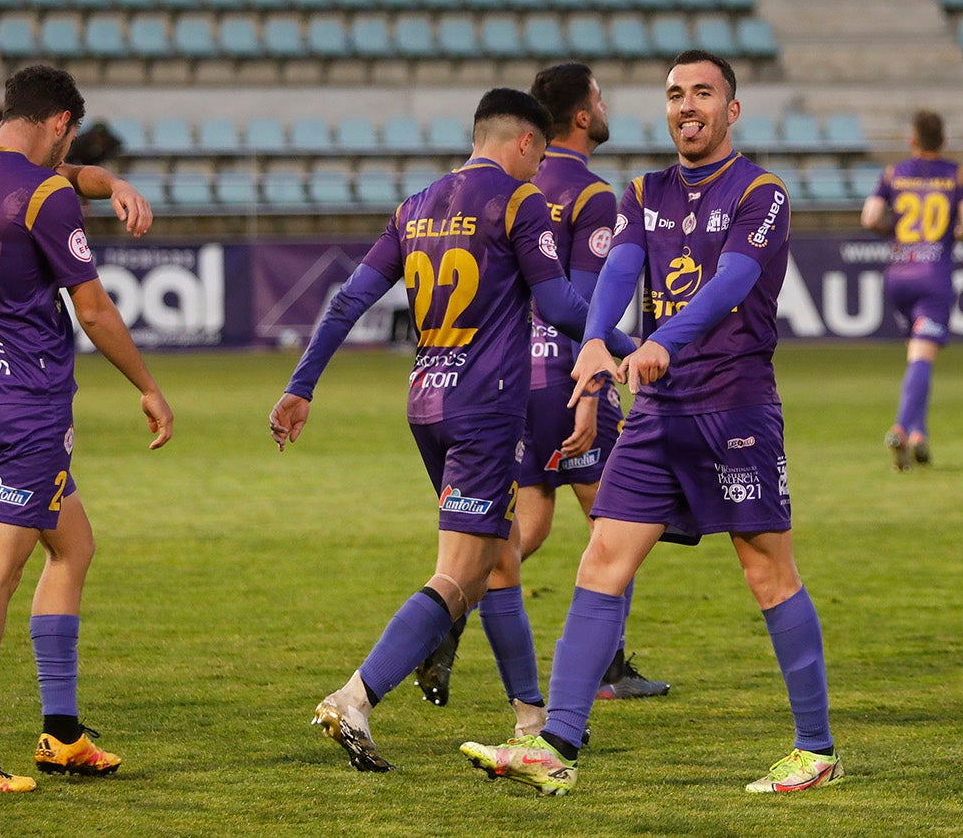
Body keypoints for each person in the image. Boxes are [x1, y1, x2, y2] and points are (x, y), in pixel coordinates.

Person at [461, 50, 842, 796]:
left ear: (732, 111)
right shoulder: (643, 191)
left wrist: (662, 342)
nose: (687, 104)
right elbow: (618, 271)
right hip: (658, 411)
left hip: (733, 405)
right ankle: (558, 743)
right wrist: (598, 339)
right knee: (602, 557)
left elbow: (732, 283)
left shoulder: (761, 193)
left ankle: (816, 749)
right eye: (675, 94)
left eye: (703, 92)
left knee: (766, 571)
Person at [270, 88, 634, 772]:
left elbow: (351, 298)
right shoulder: (518, 201)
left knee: (502, 555)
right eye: (538, 153)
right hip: (486, 408)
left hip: (426, 404)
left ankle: (530, 716)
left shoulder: (415, 206)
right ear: (524, 142)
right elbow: (557, 302)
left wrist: (301, 384)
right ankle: (356, 696)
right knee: (460, 575)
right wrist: (628, 341)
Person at [0, 64, 173, 794]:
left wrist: (111, 182)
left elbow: (57, 176)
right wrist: (150, 389)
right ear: (61, 122)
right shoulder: (43, 199)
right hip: (25, 410)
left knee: (74, 545)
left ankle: (61, 734)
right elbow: (94, 312)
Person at [413, 64, 668, 709]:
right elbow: (584, 307)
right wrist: (606, 370)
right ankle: (607, 667)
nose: (605, 106)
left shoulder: (506, 182)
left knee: (522, 523)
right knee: (617, 519)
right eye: (600, 99)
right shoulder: (592, 195)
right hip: (562, 375)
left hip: (500, 379)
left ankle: (447, 613)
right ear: (581, 116)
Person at [860, 110, 963, 471]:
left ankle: (918, 436)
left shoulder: (893, 174)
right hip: (933, 277)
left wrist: (895, 234)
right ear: (942, 142)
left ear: (912, 141)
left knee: (916, 356)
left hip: (898, 276)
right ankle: (900, 427)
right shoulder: (958, 175)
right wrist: (949, 235)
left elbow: (869, 218)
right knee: (921, 358)